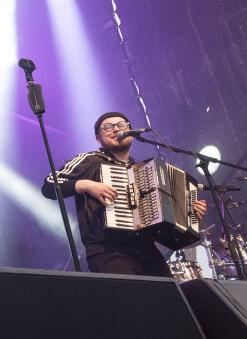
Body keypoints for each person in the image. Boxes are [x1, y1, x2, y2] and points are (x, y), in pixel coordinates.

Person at [43, 111, 205, 276]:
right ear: (98, 138)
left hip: (147, 250)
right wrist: (86, 185)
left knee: (168, 292)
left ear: (131, 134)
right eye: (108, 127)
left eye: (121, 125)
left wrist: (187, 214)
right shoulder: (90, 160)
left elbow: (158, 223)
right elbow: (49, 185)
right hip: (109, 252)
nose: (115, 129)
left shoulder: (142, 171)